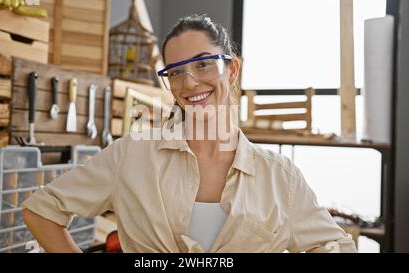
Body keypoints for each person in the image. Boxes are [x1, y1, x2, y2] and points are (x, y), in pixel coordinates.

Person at [22, 14, 357, 253]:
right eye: (176, 72)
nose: (190, 83)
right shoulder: (132, 155)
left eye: (203, 64)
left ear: (233, 69)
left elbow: (334, 247)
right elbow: (42, 210)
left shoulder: (280, 178)